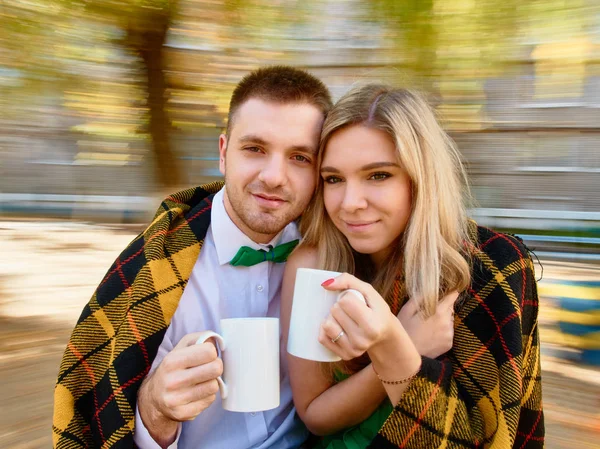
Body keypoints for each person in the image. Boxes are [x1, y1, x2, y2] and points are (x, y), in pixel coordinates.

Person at [52, 66, 333, 449]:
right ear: (223, 153)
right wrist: (154, 411)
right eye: (255, 149)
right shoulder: (152, 266)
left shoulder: (335, 252)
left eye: (299, 157)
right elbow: (91, 411)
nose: (273, 176)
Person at [281, 84, 544, 448]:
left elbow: (486, 438)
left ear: (419, 180)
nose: (350, 203)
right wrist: (399, 347)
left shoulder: (488, 267)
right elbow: (315, 415)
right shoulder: (315, 265)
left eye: (378, 175)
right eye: (334, 179)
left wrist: (394, 349)